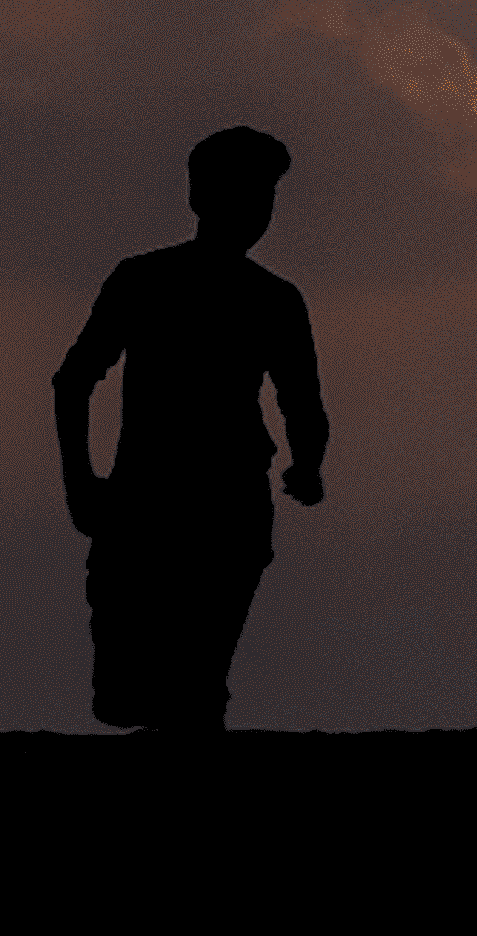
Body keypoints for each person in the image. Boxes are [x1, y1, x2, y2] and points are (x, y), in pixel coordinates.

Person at [53, 127, 331, 734]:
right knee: (128, 696)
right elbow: (72, 381)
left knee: (194, 686)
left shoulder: (269, 300)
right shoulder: (151, 282)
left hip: (219, 506)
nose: (258, 211)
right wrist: (81, 483)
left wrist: (308, 463)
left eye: (266, 196)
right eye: (249, 193)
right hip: (150, 503)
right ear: (201, 197)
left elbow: (303, 404)